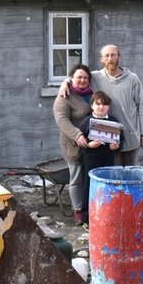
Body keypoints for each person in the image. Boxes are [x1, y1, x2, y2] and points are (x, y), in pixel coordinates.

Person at [60, 44, 143, 166]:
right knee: (113, 177)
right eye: (106, 55)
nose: (110, 58)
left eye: (113, 55)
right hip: (110, 140)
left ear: (119, 57)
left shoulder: (132, 78)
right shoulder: (96, 77)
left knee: (130, 176)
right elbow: (78, 77)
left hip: (130, 137)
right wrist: (65, 82)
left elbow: (142, 107)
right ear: (101, 59)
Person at [53, 64, 94, 226]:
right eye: (79, 77)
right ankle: (78, 211)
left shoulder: (92, 93)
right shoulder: (65, 96)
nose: (83, 80)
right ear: (71, 79)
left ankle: (90, 208)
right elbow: (61, 120)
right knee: (76, 178)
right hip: (73, 144)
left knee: (90, 177)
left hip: (92, 143)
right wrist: (77, 135)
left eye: (85, 77)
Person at [77, 91, 122, 225]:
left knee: (107, 187)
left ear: (108, 107)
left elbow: (121, 140)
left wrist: (117, 146)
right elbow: (78, 141)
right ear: (92, 106)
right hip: (90, 159)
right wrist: (89, 145)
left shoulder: (114, 122)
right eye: (98, 104)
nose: (101, 107)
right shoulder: (87, 121)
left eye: (104, 104)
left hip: (107, 160)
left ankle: (106, 214)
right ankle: (86, 218)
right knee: (88, 187)